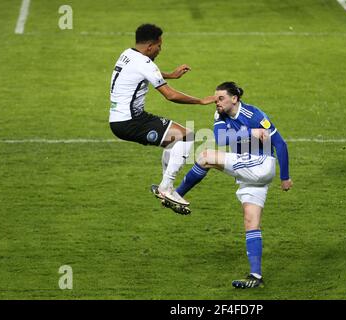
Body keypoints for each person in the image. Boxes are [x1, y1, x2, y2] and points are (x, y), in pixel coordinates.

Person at [170, 82, 292, 288]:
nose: (216, 102)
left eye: (221, 99)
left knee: (206, 157)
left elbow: (279, 143)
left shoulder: (254, 115)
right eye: (216, 98)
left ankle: (175, 194)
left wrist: (285, 177)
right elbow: (220, 138)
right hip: (250, 174)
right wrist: (250, 134)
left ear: (234, 99)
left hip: (260, 165)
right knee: (250, 221)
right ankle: (256, 276)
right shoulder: (220, 115)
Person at [108, 23, 215, 206]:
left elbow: (145, 73)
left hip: (119, 119)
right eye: (159, 46)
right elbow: (170, 95)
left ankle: (166, 187)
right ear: (150, 46)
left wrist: (171, 75)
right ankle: (166, 188)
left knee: (175, 139)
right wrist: (200, 101)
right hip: (131, 121)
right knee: (186, 136)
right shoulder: (144, 63)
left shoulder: (128, 54)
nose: (159, 51)